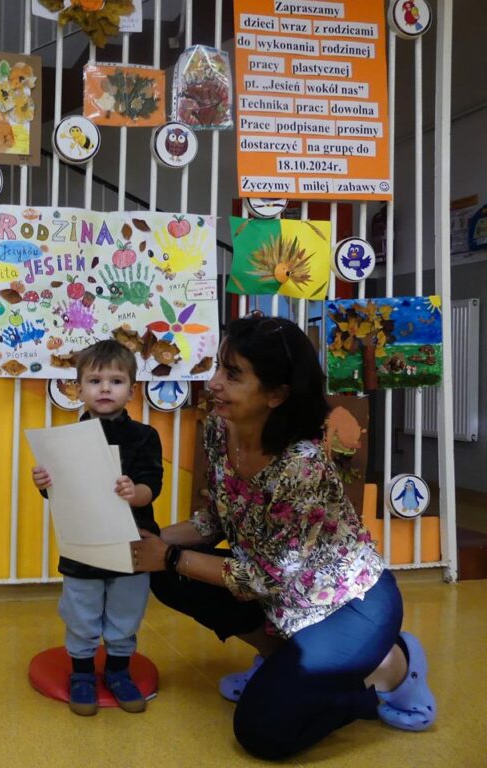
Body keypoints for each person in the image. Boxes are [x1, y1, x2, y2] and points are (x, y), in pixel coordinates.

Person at [131, 314, 437, 759]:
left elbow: (262, 578)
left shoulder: (302, 466)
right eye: (217, 368)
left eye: (232, 374)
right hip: (284, 594)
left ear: (276, 394)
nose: (213, 383)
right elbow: (217, 518)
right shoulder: (219, 428)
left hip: (346, 606)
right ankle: (283, 663)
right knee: (166, 574)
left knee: (262, 732)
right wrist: (149, 541)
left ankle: (389, 671)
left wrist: (170, 555)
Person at [31, 340, 163, 716]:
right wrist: (44, 483)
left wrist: (134, 491)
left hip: (131, 543)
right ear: (78, 389)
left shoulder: (145, 437)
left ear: (132, 390)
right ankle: (83, 674)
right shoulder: (65, 441)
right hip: (83, 544)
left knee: (126, 611)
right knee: (81, 610)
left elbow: (152, 486)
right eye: (94, 381)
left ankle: (119, 671)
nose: (105, 388)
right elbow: (59, 495)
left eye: (116, 381)